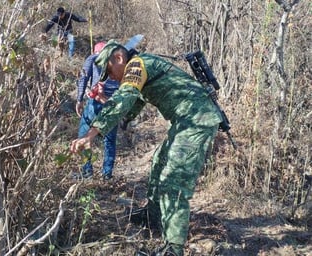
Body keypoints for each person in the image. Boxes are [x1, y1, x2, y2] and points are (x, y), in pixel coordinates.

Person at [70, 40, 223, 256]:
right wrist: (116, 111)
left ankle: (174, 248)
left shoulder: (136, 65)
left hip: (197, 120)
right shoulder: (140, 66)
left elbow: (125, 98)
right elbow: (134, 102)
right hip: (185, 121)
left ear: (119, 59)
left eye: (110, 72)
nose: (111, 78)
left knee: (174, 179)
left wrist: (91, 133)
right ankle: (153, 216)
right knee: (159, 162)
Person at [75, 41, 120, 181]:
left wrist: (79, 99)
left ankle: (87, 171)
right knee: (109, 140)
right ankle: (107, 174)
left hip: (95, 103)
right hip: (114, 103)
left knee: (84, 135)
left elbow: (83, 78)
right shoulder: (117, 63)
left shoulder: (92, 58)